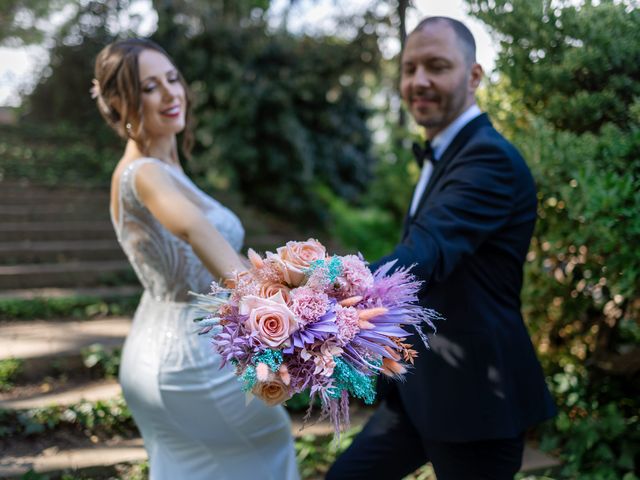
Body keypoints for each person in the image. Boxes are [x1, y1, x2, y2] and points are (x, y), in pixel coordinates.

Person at [328, 16, 556, 480]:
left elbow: (425, 251)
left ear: (474, 76)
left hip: (475, 402)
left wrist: (320, 291)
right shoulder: (449, 150)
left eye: (436, 66)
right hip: (420, 388)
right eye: (409, 68)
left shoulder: (487, 158)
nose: (419, 81)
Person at [92, 38, 299, 480]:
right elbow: (195, 230)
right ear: (117, 102)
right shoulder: (143, 172)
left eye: (172, 79)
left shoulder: (167, 169)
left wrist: (303, 286)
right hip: (190, 358)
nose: (171, 94)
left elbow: (216, 250)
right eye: (150, 87)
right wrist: (265, 310)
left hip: (170, 348)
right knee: (268, 444)